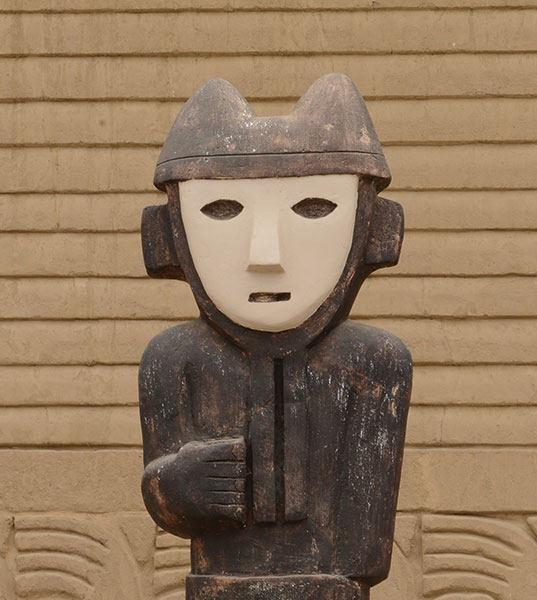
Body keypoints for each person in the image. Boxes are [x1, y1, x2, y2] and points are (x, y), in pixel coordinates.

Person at [137, 73, 412, 600]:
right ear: (167, 237)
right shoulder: (172, 361)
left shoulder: (375, 365)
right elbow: (160, 495)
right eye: (222, 211)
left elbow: (364, 550)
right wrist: (175, 484)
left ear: (376, 230)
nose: (265, 255)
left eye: (312, 208)